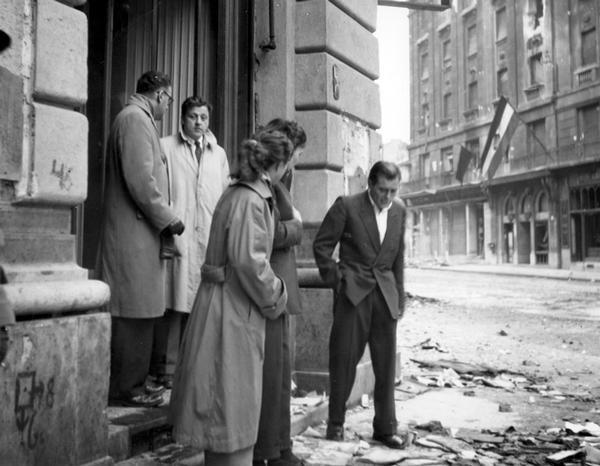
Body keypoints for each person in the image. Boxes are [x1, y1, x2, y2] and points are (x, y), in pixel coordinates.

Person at [170, 130, 293, 466]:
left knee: (226, 411)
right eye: (287, 163)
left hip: (227, 307)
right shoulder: (251, 199)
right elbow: (249, 263)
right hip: (232, 312)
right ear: (277, 164)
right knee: (231, 410)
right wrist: (277, 294)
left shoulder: (240, 193)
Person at [99, 70, 184, 408]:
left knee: (141, 310)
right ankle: (127, 388)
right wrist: (169, 218)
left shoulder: (136, 118)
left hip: (138, 235)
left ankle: (132, 384)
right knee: (133, 312)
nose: (168, 106)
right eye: (169, 99)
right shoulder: (135, 120)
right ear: (160, 95)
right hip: (133, 237)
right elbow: (141, 182)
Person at [312, 161, 407, 449]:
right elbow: (321, 247)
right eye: (382, 190)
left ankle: (385, 428)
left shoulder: (400, 210)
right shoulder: (347, 206)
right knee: (343, 360)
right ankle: (336, 423)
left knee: (386, 366)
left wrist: (400, 297)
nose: (386, 197)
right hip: (353, 295)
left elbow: (398, 257)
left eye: (392, 191)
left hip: (385, 297)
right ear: (370, 183)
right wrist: (338, 282)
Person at [151, 96, 230, 388]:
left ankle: (194, 368)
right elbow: (158, 189)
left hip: (208, 235)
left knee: (200, 304)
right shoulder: (166, 147)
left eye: (204, 118)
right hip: (178, 231)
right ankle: (167, 369)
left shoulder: (218, 154)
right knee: (174, 303)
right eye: (194, 117)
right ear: (183, 119)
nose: (199, 123)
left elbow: (223, 195)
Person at [253, 119, 306, 466]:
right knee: (272, 379)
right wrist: (296, 228)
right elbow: (263, 236)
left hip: (279, 290)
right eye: (295, 154)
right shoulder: (262, 186)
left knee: (279, 379)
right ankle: (270, 451)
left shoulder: (277, 183)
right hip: (270, 290)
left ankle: (280, 447)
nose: (296, 161)